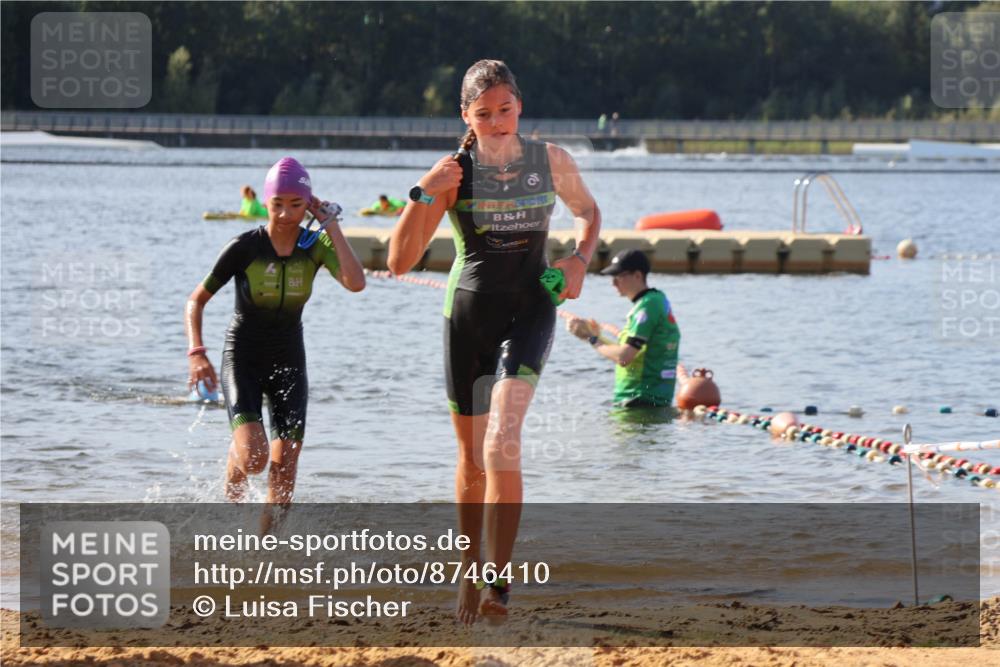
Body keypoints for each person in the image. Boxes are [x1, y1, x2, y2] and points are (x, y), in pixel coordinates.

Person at [387, 59, 601, 624]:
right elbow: (398, 260)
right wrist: (421, 194)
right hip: (467, 319)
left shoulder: (550, 161)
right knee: (471, 461)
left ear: (519, 107)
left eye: (505, 110)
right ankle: (467, 574)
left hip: (531, 311)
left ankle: (497, 587)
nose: (498, 122)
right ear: (467, 116)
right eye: (484, 114)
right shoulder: (453, 173)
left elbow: (589, 213)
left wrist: (578, 260)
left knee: (502, 440)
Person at [186, 158, 365, 517]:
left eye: (296, 205)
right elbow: (196, 300)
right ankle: (237, 457)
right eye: (277, 204)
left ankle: (265, 551)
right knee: (254, 459)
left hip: (289, 359)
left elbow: (356, 283)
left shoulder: (314, 246)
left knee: (285, 467)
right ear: (266, 203)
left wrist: (332, 227)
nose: (285, 213)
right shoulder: (244, 247)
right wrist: (197, 352)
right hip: (243, 357)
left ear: (309, 204)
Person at [567, 249, 680, 409]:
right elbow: (635, 352)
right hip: (647, 401)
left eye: (619, 276)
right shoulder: (655, 301)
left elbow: (624, 357)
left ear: (638, 276)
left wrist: (590, 338)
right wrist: (596, 336)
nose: (613, 283)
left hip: (640, 401)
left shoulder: (647, 306)